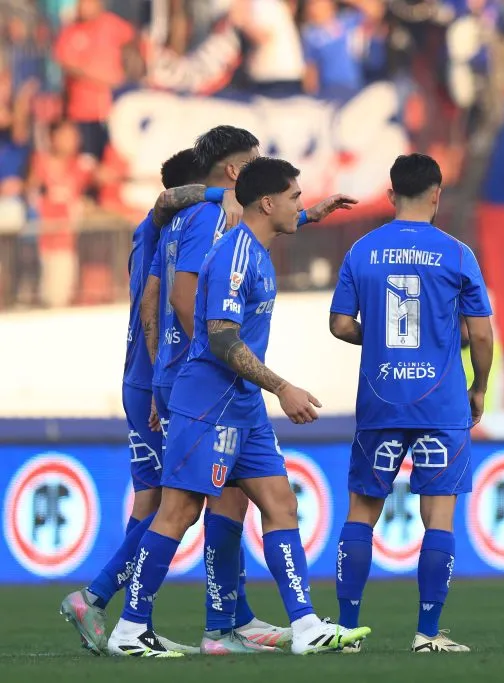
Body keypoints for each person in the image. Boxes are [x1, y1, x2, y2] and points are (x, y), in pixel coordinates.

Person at [106, 156, 368, 657]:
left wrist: (312, 214)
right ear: (267, 203)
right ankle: (129, 628)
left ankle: (305, 625)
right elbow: (222, 339)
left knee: (280, 502)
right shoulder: (235, 256)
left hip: (242, 406)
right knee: (178, 512)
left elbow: (280, 222)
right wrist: (282, 387)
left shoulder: (255, 247)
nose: (299, 205)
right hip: (209, 404)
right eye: (294, 197)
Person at [59, 148, 239, 655]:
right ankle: (97, 598)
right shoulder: (174, 222)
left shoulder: (152, 234)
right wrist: (219, 194)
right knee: (180, 504)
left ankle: (128, 618)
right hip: (157, 378)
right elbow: (156, 299)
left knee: (153, 502)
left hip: (141, 377)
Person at [330, 153, 494, 653]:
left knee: (362, 512)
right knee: (438, 517)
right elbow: (481, 334)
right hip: (440, 405)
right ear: (437, 194)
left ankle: (347, 630)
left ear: (390, 194)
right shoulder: (457, 254)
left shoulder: (361, 249)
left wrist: (379, 340)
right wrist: (479, 386)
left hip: (380, 400)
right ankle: (426, 633)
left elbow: (339, 324)